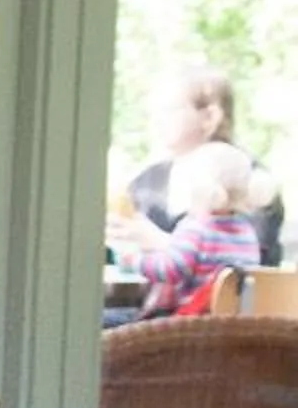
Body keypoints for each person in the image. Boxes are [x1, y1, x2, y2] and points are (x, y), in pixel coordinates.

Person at [124, 67, 282, 266]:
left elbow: (243, 263)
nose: (155, 121)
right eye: (153, 112)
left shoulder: (244, 181)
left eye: (168, 111)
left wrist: (163, 243)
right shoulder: (147, 182)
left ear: (210, 117)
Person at [109, 139, 260, 318]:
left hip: (186, 326)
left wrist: (133, 260)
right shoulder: (247, 232)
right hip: (224, 325)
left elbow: (170, 269)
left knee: (104, 322)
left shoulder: (196, 229)